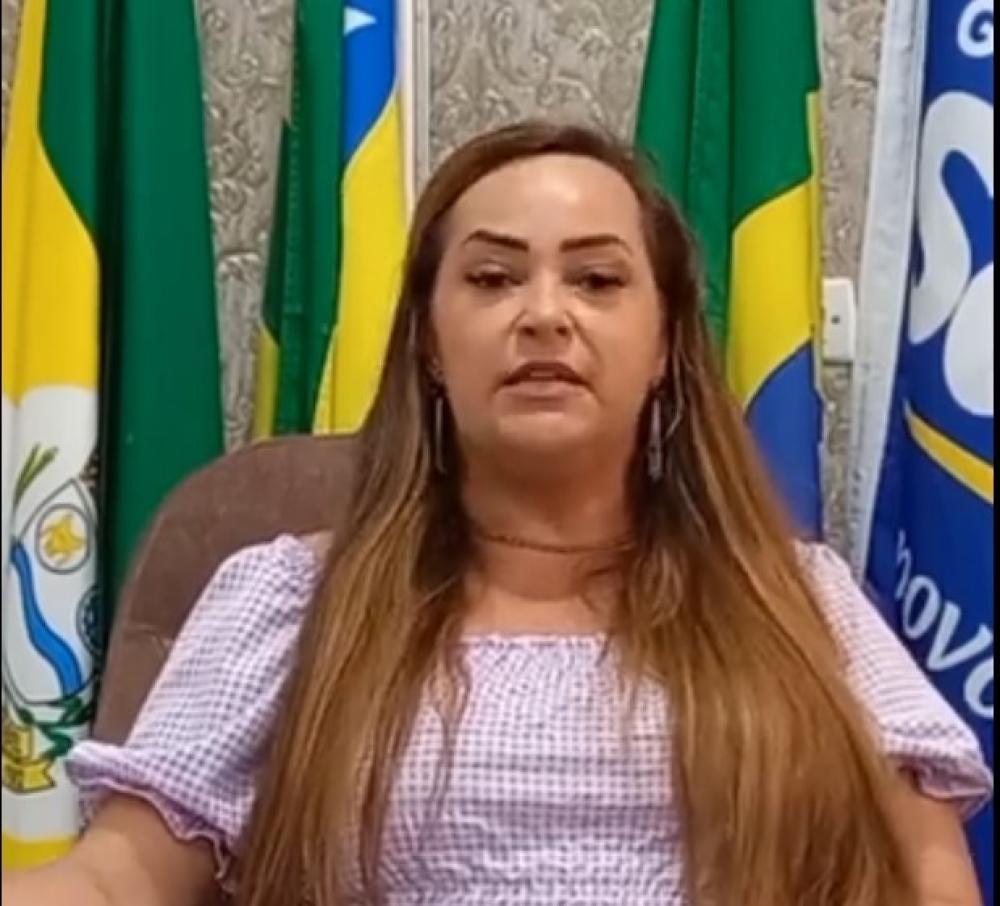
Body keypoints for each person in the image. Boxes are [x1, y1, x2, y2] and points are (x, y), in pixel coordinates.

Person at [3, 121, 991, 906]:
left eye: (597, 280)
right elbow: (117, 879)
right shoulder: (289, 600)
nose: (544, 314)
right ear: (430, 344)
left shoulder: (795, 602)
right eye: (491, 278)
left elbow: (928, 881)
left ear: (664, 348)